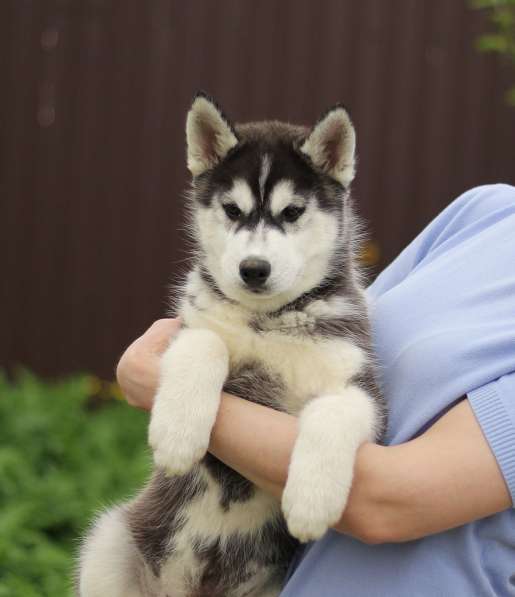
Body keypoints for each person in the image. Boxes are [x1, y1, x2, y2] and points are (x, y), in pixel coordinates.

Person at [116, 184, 515, 596]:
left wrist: (183, 399)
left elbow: (386, 504)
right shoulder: (485, 214)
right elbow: (320, 343)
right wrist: (202, 351)